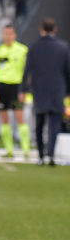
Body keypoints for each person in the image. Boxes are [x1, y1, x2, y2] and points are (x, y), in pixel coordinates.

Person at [22, 19, 70, 166]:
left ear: (42, 29)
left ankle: (41, 155)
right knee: (54, 123)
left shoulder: (34, 47)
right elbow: (68, 71)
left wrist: (23, 88)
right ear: (54, 29)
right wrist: (68, 90)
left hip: (39, 89)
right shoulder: (63, 47)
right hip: (57, 90)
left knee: (39, 123)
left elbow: (27, 71)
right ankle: (51, 154)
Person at [0, 24, 30, 158]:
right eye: (5, 34)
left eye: (10, 34)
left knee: (20, 117)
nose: (7, 36)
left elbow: (28, 72)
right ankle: (9, 149)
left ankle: (25, 148)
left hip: (16, 87)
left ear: (14, 35)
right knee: (4, 119)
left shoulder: (22, 50)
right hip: (2, 88)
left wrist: (24, 90)